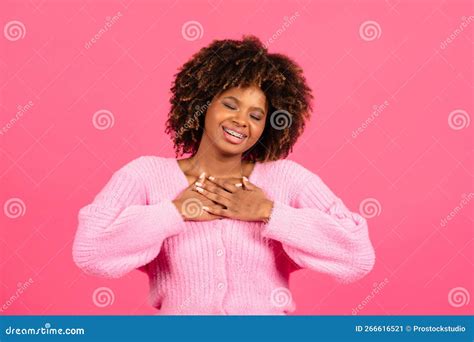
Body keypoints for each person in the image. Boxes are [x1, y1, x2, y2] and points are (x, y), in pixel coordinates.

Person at [72, 35, 376, 315]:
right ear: (203, 104)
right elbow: (90, 252)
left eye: (256, 115)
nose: (241, 120)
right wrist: (174, 212)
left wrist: (268, 212)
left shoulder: (286, 179)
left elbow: (357, 256)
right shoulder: (145, 175)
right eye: (230, 105)